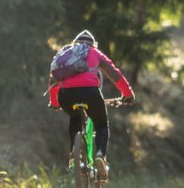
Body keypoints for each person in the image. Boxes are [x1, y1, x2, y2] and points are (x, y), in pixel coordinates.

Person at [50, 30, 134, 178]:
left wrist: (55, 102)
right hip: (91, 94)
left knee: (75, 118)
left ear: (74, 43)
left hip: (66, 96)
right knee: (101, 125)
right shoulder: (95, 53)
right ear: (93, 45)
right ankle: (100, 155)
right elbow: (114, 74)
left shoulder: (66, 54)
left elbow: (54, 79)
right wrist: (127, 94)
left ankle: (73, 155)